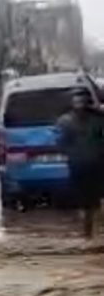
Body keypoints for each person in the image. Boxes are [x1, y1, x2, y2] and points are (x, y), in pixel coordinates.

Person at [57, 86, 104, 237]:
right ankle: (87, 234)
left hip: (97, 166)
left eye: (83, 101)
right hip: (79, 167)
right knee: (85, 205)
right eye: (77, 101)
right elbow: (61, 144)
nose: (80, 104)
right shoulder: (65, 122)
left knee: (94, 203)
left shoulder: (98, 119)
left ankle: (91, 234)